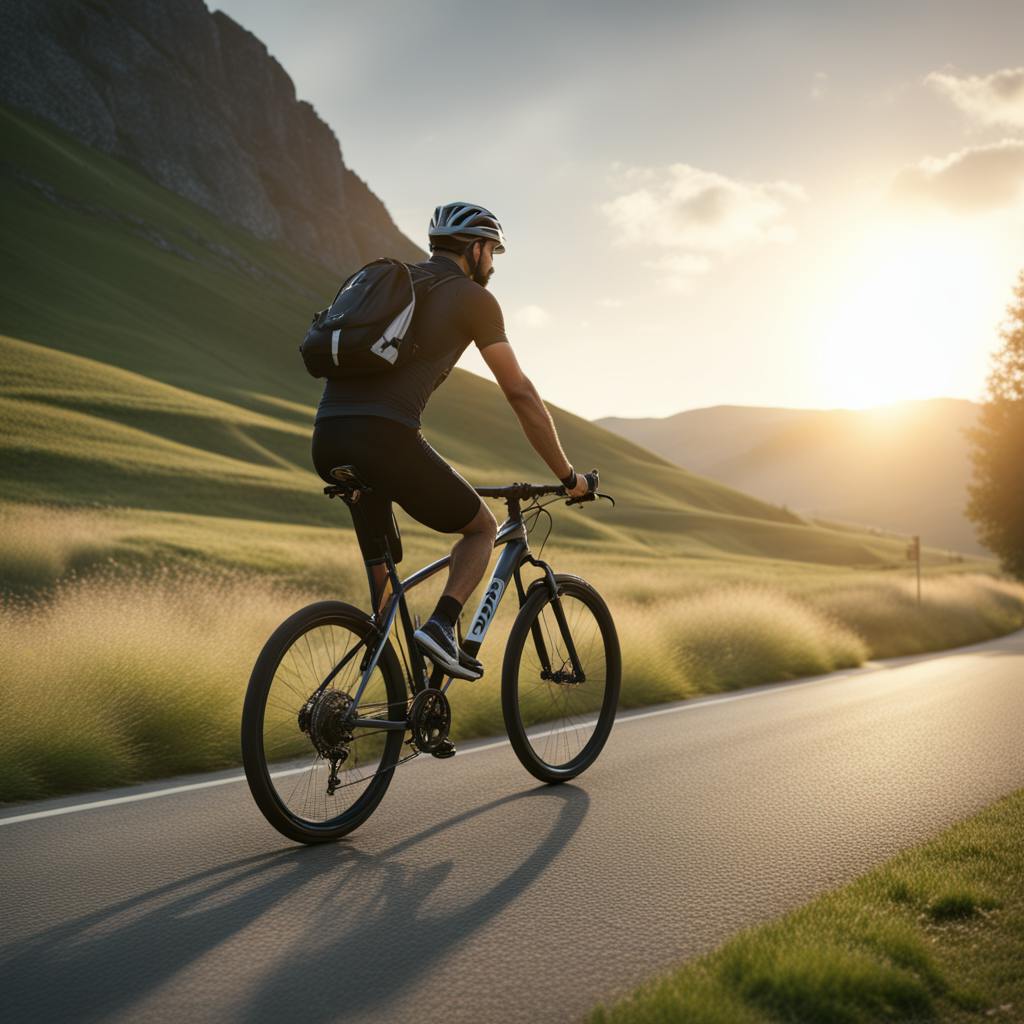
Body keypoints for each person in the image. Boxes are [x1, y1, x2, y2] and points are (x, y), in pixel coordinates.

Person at [311, 201, 589, 696]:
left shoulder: (394, 286)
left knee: (386, 589)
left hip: (329, 438)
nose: (494, 265)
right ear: (476, 249)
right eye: (492, 253)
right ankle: (441, 625)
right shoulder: (472, 299)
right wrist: (569, 477)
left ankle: (377, 693)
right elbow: (520, 393)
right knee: (480, 526)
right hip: (386, 439)